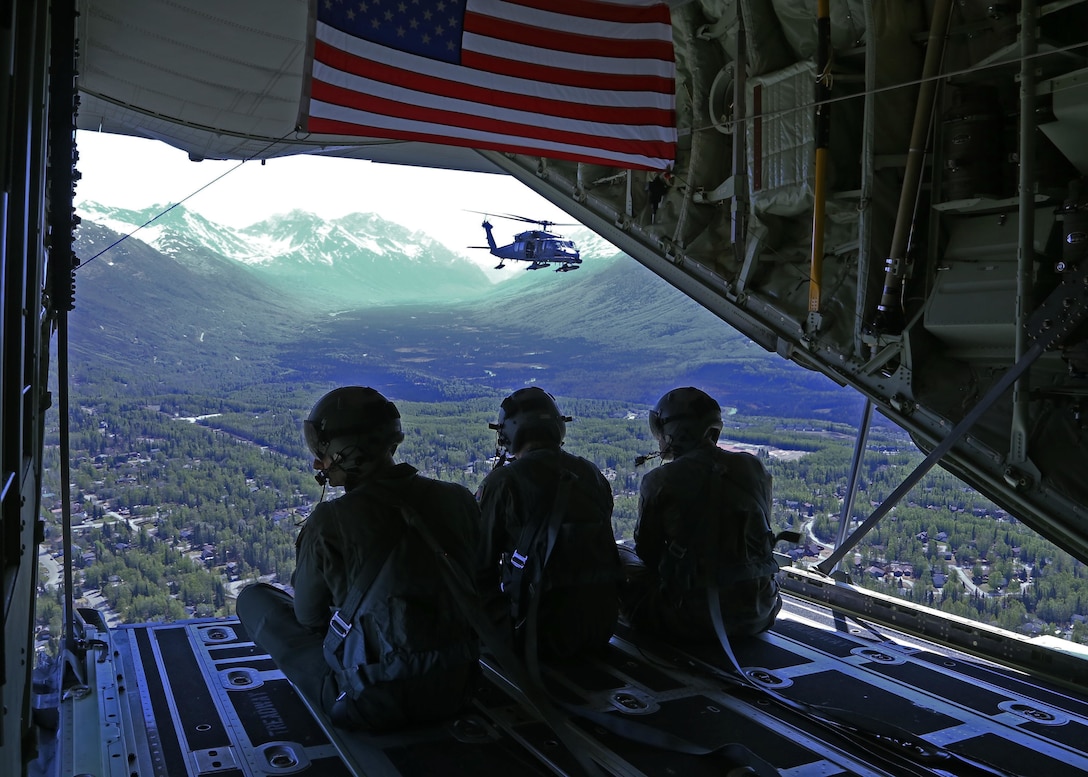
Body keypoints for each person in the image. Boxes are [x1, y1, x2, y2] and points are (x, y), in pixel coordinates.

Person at [236, 386, 479, 731]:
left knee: (254, 599)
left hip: (369, 702)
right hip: (459, 688)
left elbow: (308, 616)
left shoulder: (330, 520)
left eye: (323, 451)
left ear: (342, 452)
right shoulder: (459, 499)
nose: (318, 461)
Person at [619, 387, 782, 642]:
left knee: (619, 558)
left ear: (675, 432)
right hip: (762, 611)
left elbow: (647, 553)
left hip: (692, 620)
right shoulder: (753, 467)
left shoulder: (660, 479)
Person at [476, 387, 620, 661]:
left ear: (507, 434)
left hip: (534, 634)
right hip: (601, 626)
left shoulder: (503, 482)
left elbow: (479, 565)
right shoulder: (591, 473)